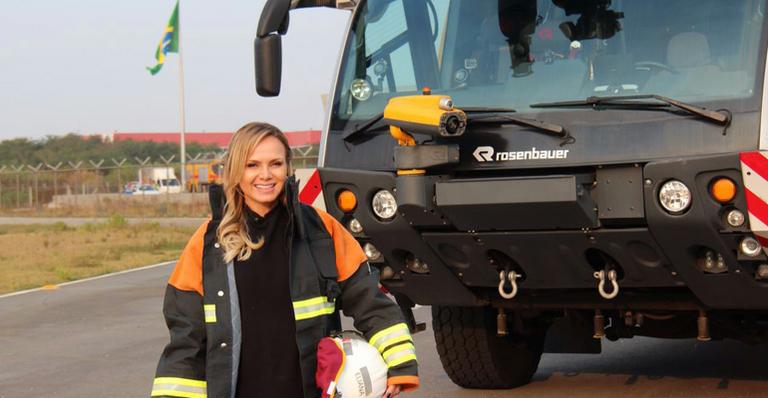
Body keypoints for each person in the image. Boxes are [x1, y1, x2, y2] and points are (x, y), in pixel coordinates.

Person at [150, 122, 419, 398]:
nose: (265, 175)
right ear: (235, 170)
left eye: (275, 163)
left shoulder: (320, 230)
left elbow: (369, 301)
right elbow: (187, 337)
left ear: (287, 168)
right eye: (252, 165)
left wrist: (400, 363)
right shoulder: (207, 242)